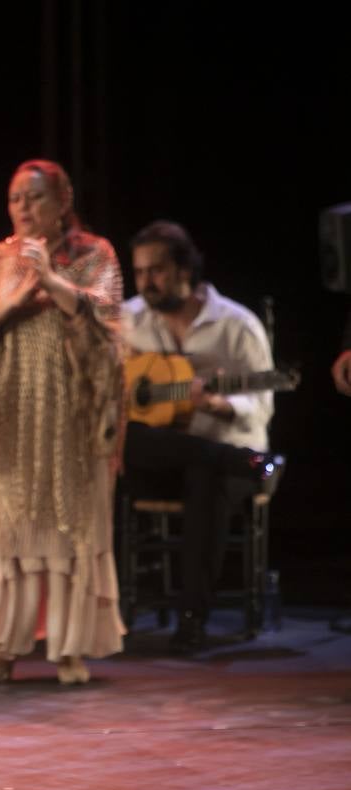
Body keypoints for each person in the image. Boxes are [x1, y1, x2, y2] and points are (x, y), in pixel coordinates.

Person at [0, 159, 126, 685]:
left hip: (72, 416)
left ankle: (69, 650)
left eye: (35, 198)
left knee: (72, 527)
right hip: (12, 413)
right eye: (15, 199)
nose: (24, 209)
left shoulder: (96, 254)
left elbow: (112, 325)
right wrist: (6, 307)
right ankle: (1, 648)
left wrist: (53, 280)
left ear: (63, 200)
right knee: (8, 527)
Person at [121, 221, 282, 651]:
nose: (146, 283)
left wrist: (219, 404)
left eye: (156, 271)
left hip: (228, 453)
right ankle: (105, 614)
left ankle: (191, 618)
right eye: (139, 273)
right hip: (162, 458)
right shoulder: (127, 320)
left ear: (184, 270)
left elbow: (263, 405)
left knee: (204, 475)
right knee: (120, 440)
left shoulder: (236, 326)